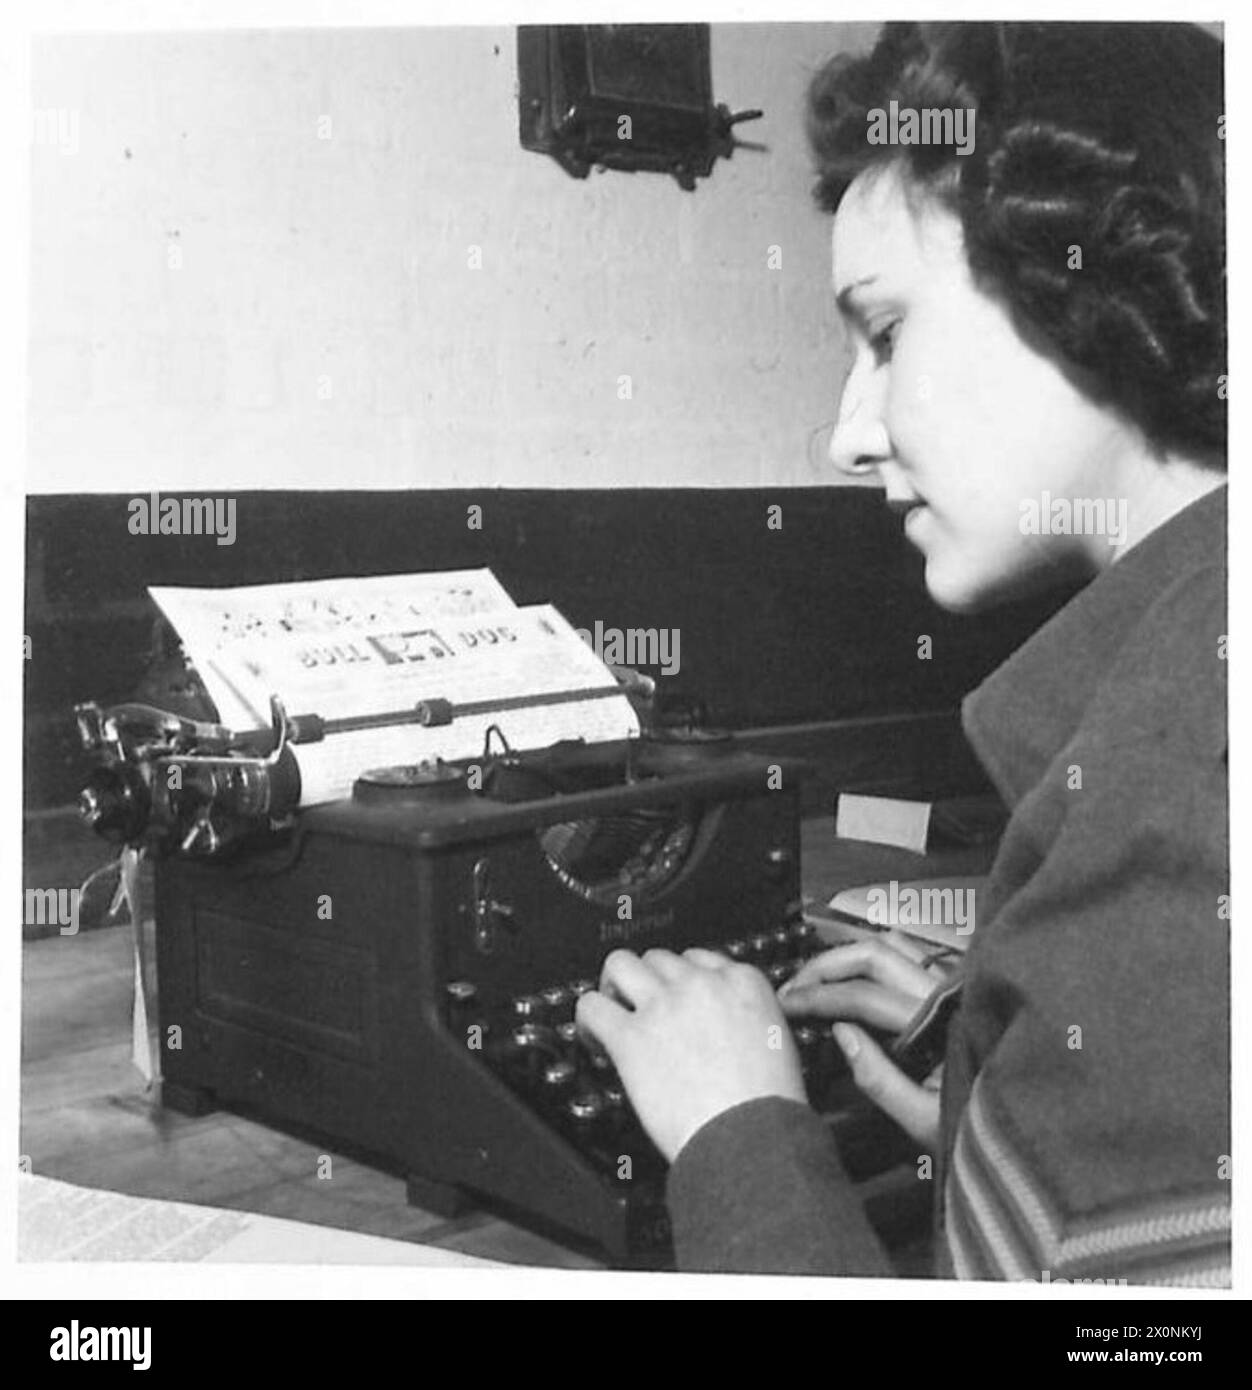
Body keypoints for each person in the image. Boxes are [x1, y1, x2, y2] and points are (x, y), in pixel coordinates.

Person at [574, 21, 1229, 1284]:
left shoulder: (1174, 810)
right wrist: (994, 1074)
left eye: (883, 334)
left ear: (1081, 280)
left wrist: (740, 1130)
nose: (844, 434)